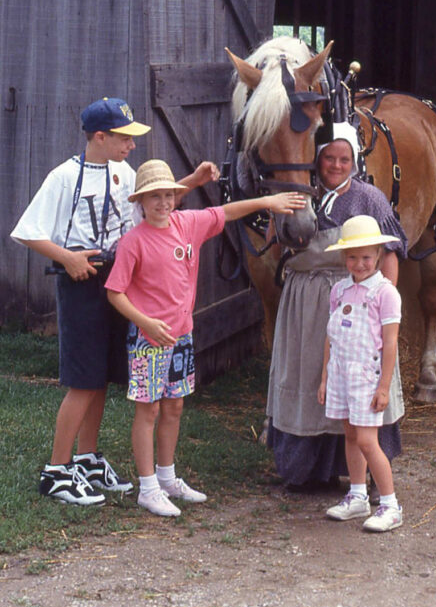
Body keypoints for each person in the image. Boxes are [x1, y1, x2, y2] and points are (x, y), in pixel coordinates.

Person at [10, 97, 218, 506]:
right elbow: (27, 231)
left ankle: (86, 459)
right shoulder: (64, 177)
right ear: (100, 137)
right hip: (81, 279)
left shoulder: (124, 173)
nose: (132, 146)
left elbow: (156, 204)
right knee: (83, 378)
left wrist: (190, 181)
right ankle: (56, 470)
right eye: (125, 138)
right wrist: (66, 257)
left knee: (102, 374)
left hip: (121, 280)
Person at [105, 159, 306, 517]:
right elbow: (115, 293)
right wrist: (146, 323)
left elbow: (226, 211)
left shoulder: (187, 224)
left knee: (175, 405)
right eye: (155, 197)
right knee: (148, 409)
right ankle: (147, 487)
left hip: (181, 335)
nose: (163, 203)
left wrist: (267, 203)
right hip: (149, 339)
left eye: (169, 195)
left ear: (177, 197)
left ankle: (167, 478)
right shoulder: (133, 242)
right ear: (141, 202)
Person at [267, 121, 408, 490]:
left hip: (359, 306)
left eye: (344, 159)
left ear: (355, 161)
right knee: (310, 379)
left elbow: (389, 256)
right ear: (317, 159)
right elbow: (272, 243)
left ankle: (370, 477)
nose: (335, 165)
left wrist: (382, 306)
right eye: (328, 157)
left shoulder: (368, 198)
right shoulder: (298, 194)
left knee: (360, 384)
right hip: (305, 304)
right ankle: (307, 471)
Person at [318, 215, 403, 531]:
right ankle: (356, 496)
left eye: (366, 257)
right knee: (350, 434)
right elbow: (331, 335)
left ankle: (390, 504)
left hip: (366, 376)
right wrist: (326, 378)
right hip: (341, 373)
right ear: (344, 257)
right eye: (352, 257)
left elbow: (390, 343)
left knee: (368, 440)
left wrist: (383, 387)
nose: (359, 263)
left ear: (378, 255)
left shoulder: (385, 293)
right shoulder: (339, 290)